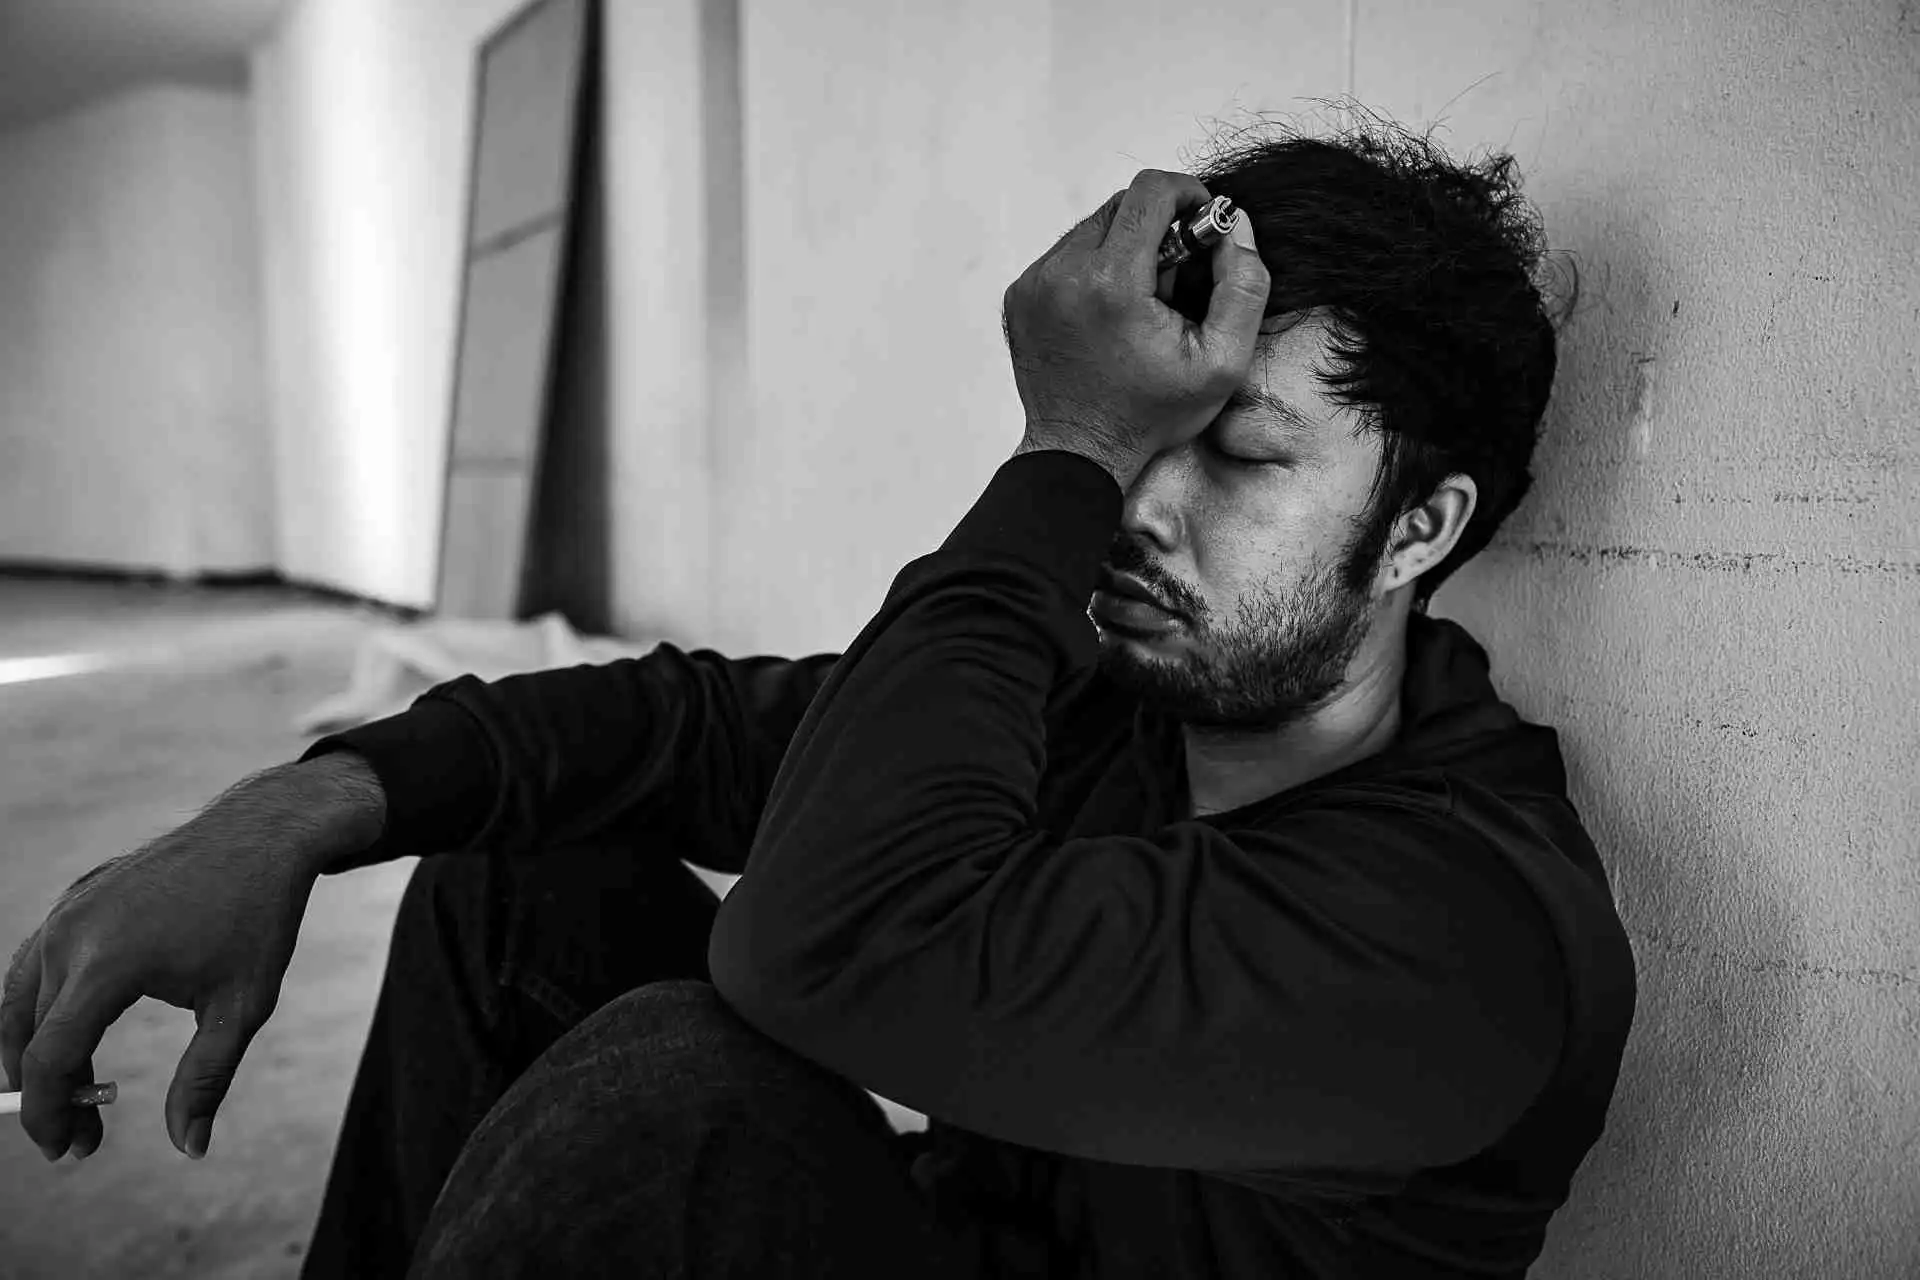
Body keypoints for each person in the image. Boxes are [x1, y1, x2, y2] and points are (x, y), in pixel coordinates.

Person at [3, 112, 1636, 1279]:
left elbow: (826, 948)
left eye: (1242, 455)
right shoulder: (1126, 710)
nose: (1142, 502)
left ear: (1420, 527)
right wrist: (294, 813)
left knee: (690, 1090)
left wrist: (1062, 445)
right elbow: (686, 731)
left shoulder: (1466, 933)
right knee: (533, 868)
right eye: (1147, 431)